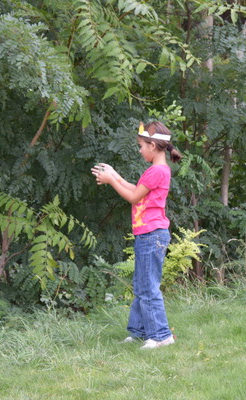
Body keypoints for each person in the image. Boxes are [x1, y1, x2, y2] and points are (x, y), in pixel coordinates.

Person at [91, 121, 182, 349]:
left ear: (152, 145)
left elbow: (133, 198)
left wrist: (112, 180)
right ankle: (140, 332)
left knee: (148, 287)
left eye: (141, 145)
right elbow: (137, 192)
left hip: (152, 235)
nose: (140, 150)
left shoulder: (157, 171)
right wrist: (116, 176)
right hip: (148, 234)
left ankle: (162, 336)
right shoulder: (157, 171)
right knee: (142, 285)